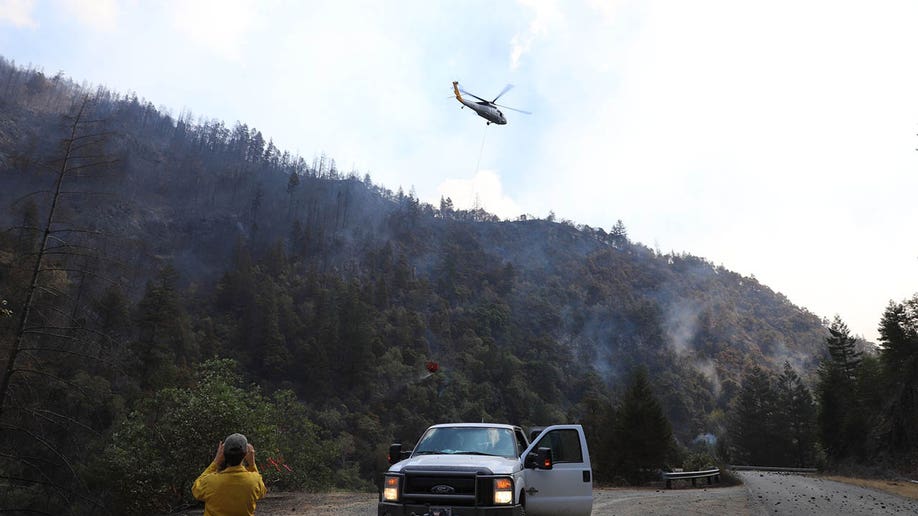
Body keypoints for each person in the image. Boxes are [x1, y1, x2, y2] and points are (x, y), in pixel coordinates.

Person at [192, 433, 267, 516]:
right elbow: (261, 492)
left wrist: (216, 461)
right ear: (245, 454)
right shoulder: (254, 480)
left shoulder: (210, 482)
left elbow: (196, 489)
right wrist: (252, 464)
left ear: (223, 454)